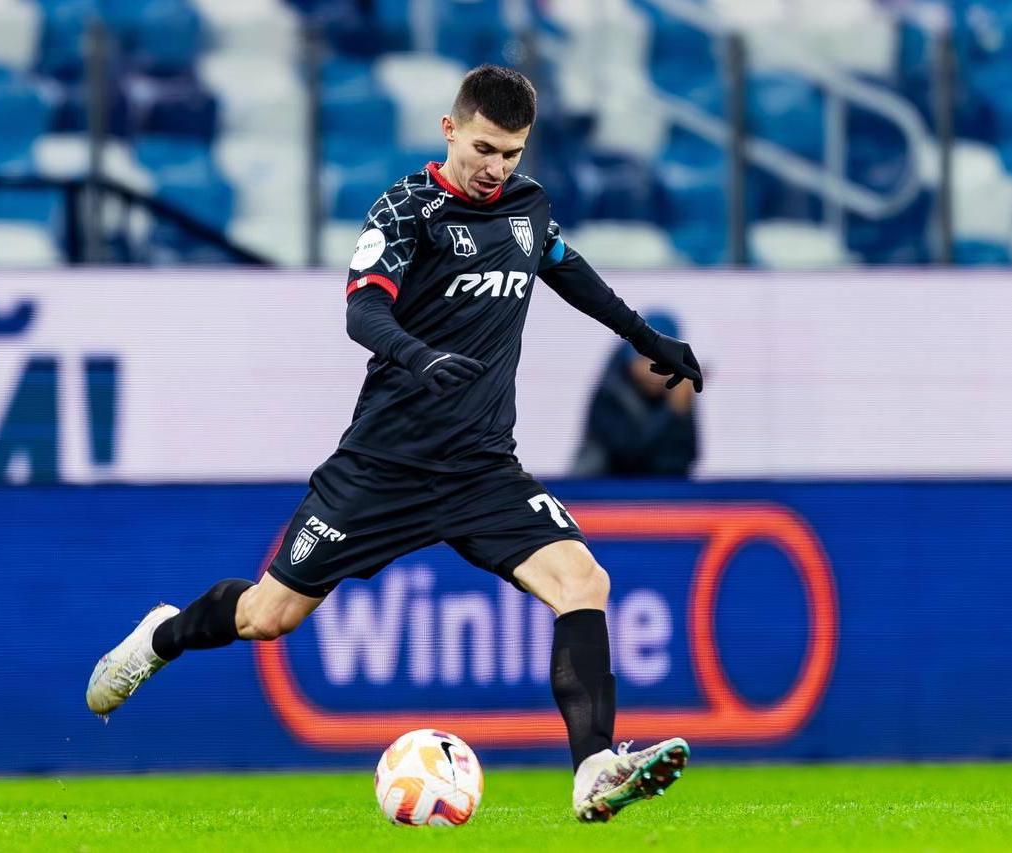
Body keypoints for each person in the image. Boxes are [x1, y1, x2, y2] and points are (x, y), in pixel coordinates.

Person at [86, 65, 703, 823]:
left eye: (510, 153)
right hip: (382, 466)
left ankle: (594, 768)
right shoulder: (407, 208)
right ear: (450, 130)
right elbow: (362, 312)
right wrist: (420, 357)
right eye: (483, 148)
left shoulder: (529, 208)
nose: (495, 167)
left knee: (583, 581)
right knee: (267, 617)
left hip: (481, 469)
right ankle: (162, 635)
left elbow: (569, 272)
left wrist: (647, 339)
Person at [574, 311, 700, 478]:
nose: (656, 371)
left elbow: (685, 457)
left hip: (660, 489)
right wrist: (671, 412)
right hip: (601, 487)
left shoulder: (677, 392)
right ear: (630, 358)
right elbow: (627, 456)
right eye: (646, 359)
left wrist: (680, 413)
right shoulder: (610, 392)